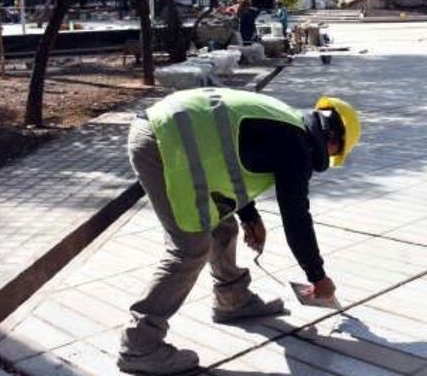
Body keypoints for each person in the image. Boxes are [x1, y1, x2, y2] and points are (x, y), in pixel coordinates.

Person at [117, 89, 361, 375]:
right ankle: (139, 347)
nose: (331, 158)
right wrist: (318, 276)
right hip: (161, 143)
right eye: (337, 153)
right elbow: (296, 218)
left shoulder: (286, 125)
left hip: (169, 135)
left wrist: (249, 215)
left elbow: (232, 155)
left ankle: (232, 299)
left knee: (222, 225)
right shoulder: (297, 146)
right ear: (332, 139)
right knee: (189, 247)